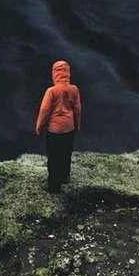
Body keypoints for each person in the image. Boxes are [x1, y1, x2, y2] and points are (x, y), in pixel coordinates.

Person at [35, 60, 82, 193]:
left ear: (55, 74)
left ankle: (54, 186)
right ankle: (64, 177)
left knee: (54, 155)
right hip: (69, 128)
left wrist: (39, 127)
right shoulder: (74, 89)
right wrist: (77, 125)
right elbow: (77, 109)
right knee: (66, 153)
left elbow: (44, 111)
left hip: (54, 130)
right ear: (68, 73)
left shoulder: (52, 91)